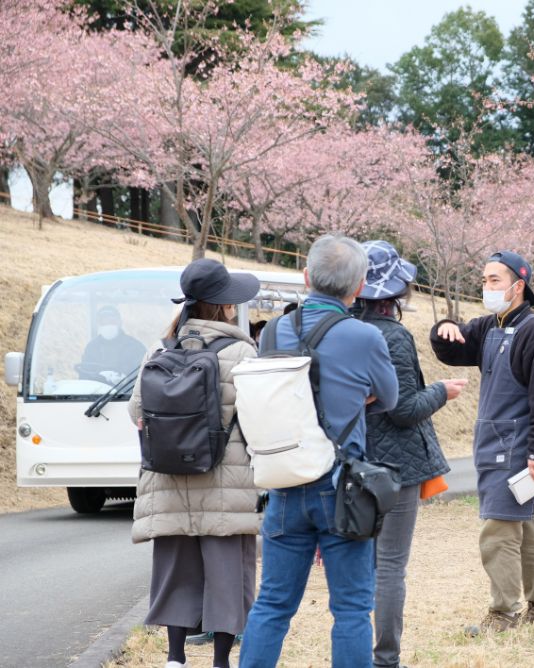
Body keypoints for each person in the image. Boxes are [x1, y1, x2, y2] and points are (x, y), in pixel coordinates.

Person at [239, 235, 399, 668]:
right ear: (360, 286)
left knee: (272, 604)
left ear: (306, 277)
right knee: (350, 609)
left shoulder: (273, 330)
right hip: (341, 485)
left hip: (285, 482)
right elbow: (390, 398)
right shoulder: (364, 336)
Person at [128, 258, 261, 668]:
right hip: (226, 482)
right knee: (227, 574)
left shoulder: (159, 348)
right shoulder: (241, 351)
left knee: (175, 569)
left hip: (168, 478)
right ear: (223, 307)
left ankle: (175, 657)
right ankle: (221, 661)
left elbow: (136, 412)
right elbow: (258, 416)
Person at [431, 250, 534, 634]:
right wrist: (443, 328)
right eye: (484, 281)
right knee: (523, 524)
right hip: (491, 442)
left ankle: (503, 614)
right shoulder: (490, 326)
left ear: (518, 286)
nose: (487, 287)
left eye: (495, 281)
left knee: (499, 530)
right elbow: (453, 349)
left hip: (517, 446)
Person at [354, 240, 467, 668]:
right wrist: (442, 390)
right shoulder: (393, 335)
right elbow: (403, 411)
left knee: (360, 564)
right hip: (395, 469)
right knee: (389, 568)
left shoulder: (338, 328)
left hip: (350, 462)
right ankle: (386, 658)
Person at [80, 304, 147, 383]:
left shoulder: (135, 347)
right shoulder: (92, 347)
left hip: (127, 393)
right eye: (104, 322)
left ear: (119, 322)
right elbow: (84, 375)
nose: (108, 324)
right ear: (98, 324)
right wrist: (99, 376)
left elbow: (144, 374)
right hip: (98, 394)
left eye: (112, 321)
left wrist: (126, 379)